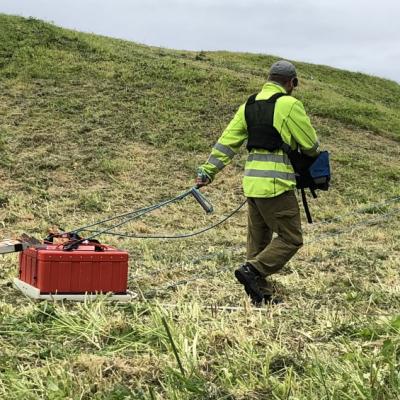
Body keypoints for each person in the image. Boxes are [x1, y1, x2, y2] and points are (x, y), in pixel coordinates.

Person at [196, 60, 320, 305]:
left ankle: (260, 295)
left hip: (252, 184)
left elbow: (227, 142)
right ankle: (253, 272)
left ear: (269, 77)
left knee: (259, 240)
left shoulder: (248, 105)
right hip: (277, 185)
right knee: (291, 238)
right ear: (291, 82)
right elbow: (311, 145)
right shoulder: (289, 104)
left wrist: (208, 171)